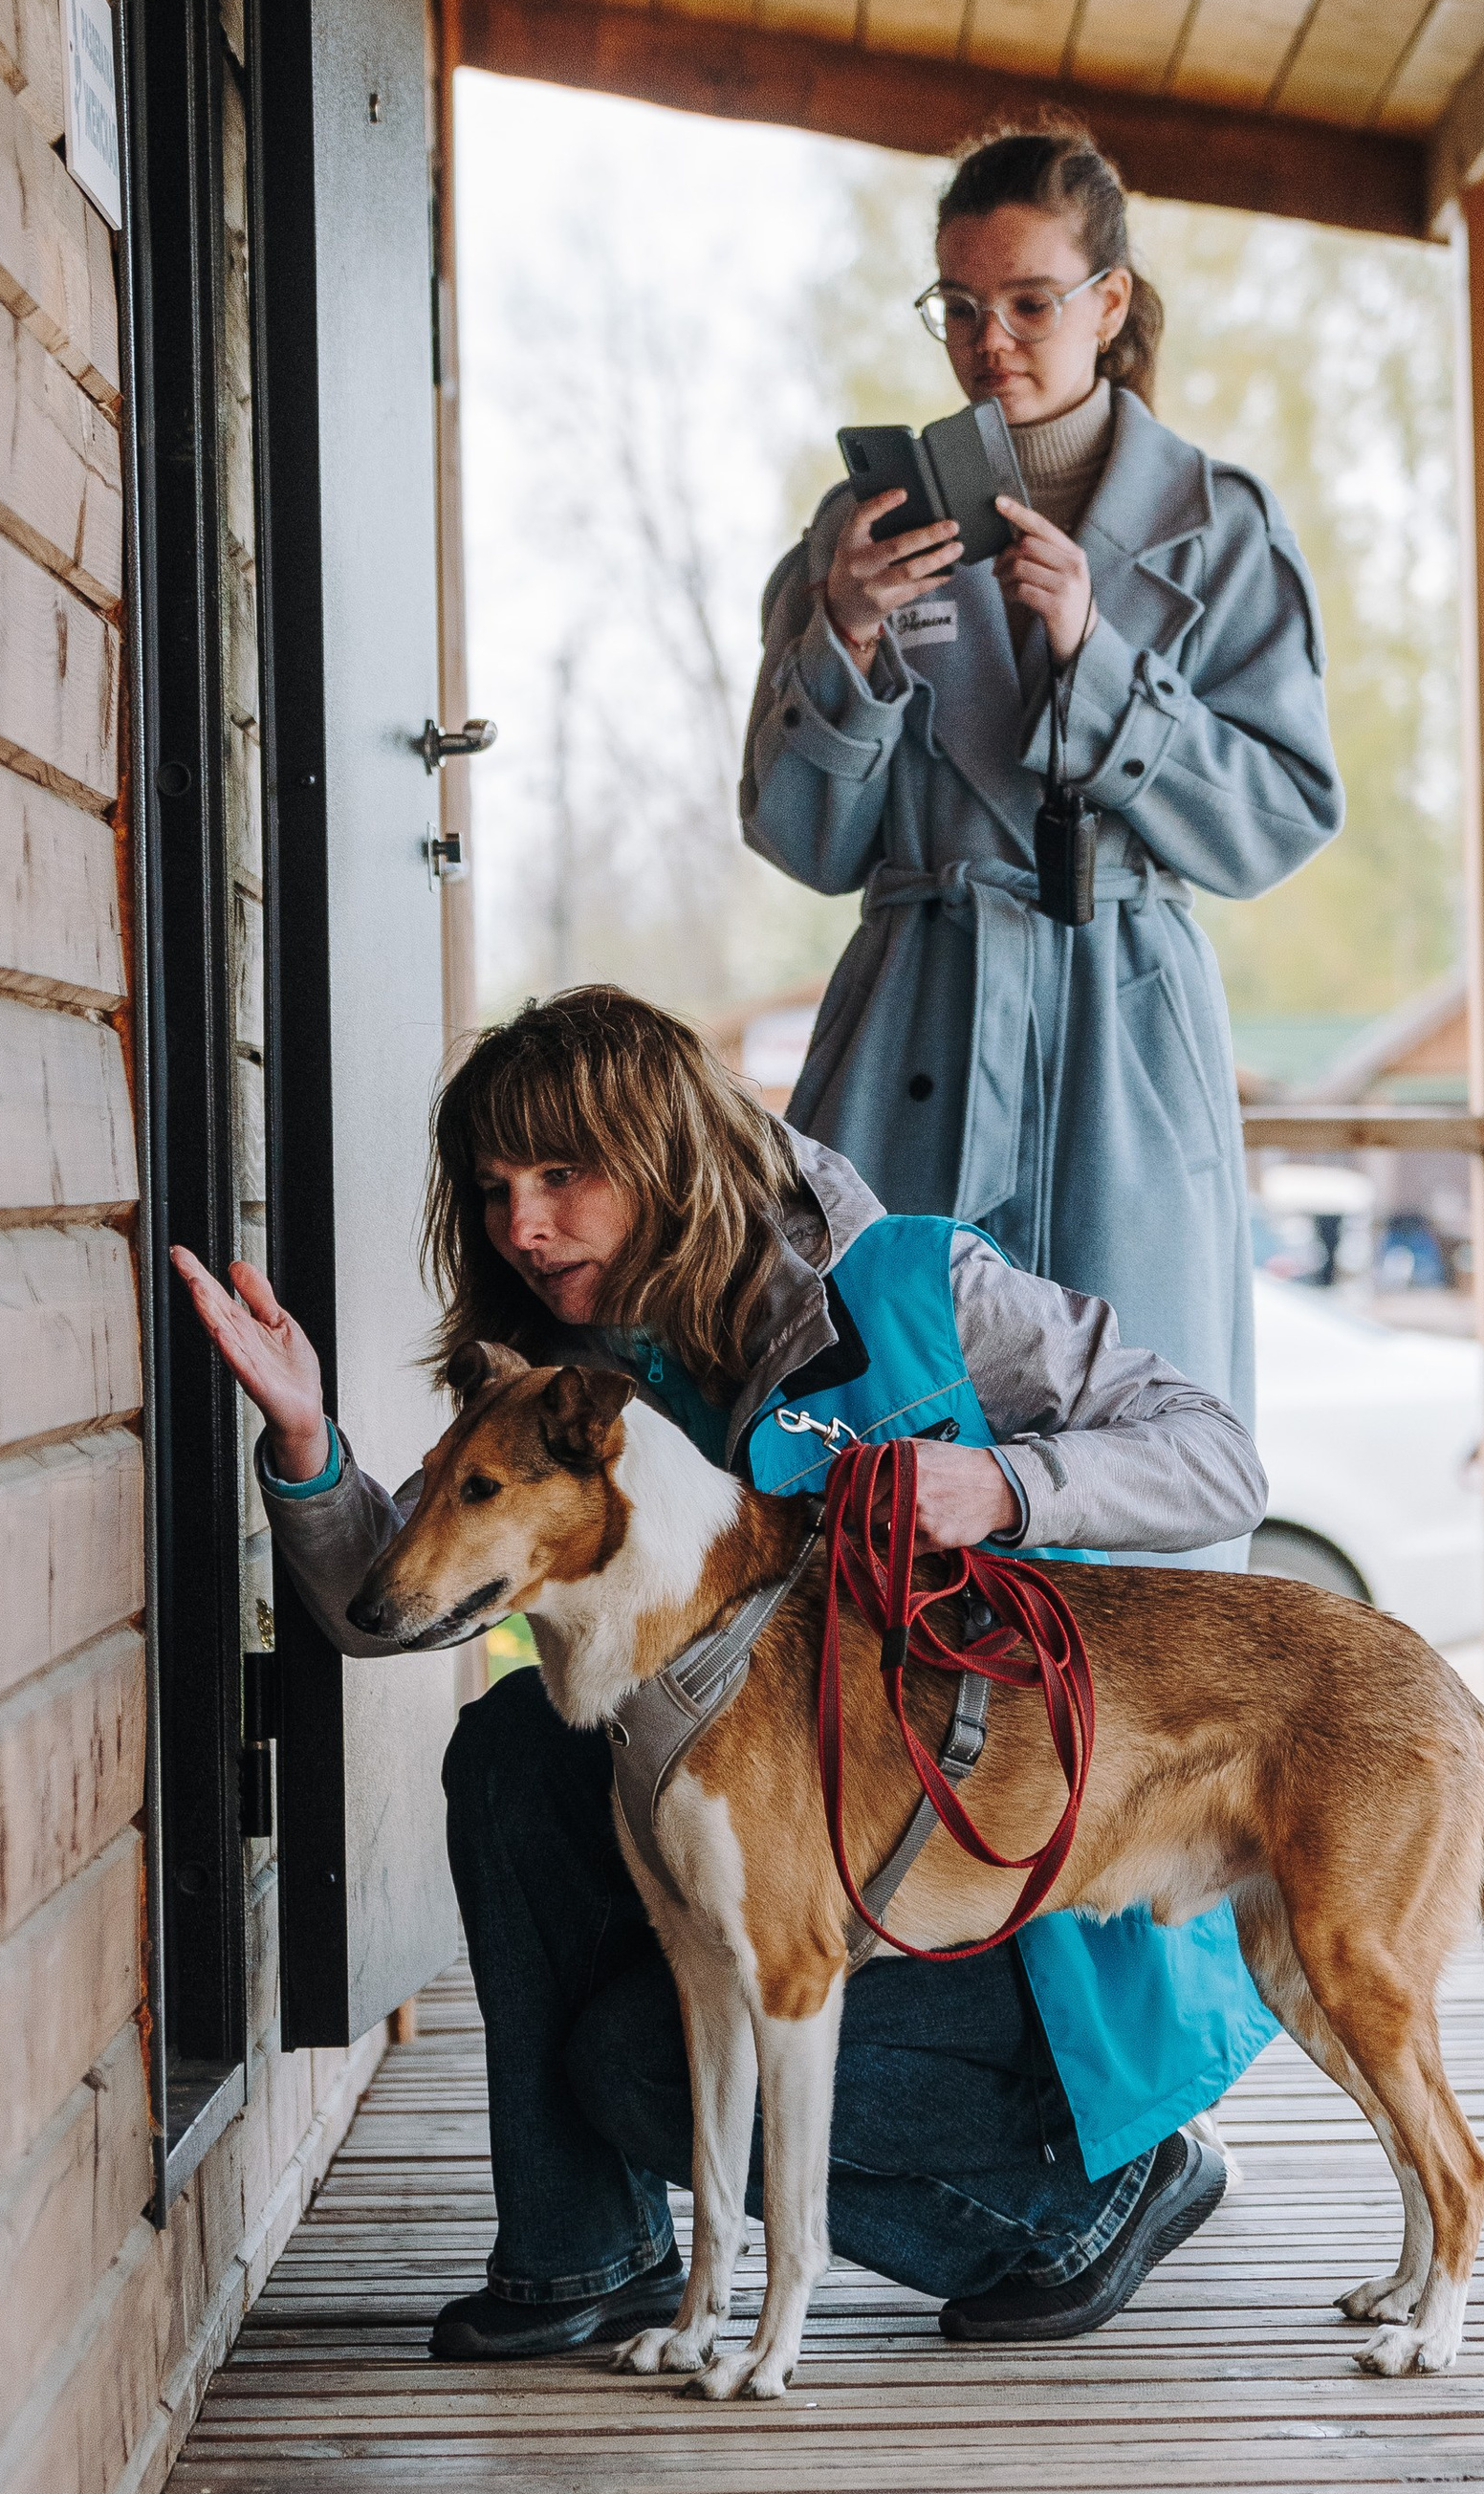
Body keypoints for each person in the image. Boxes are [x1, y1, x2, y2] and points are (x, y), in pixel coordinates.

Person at [173, 987, 1281, 2364]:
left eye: (564, 1175)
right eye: (498, 1187)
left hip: (1005, 1879)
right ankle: (590, 2249)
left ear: (666, 1150)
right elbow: (393, 1601)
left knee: (642, 2060)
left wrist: (1005, 1480)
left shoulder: (917, 1288)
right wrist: (301, 1439)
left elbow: (1218, 1455)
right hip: (775, 1843)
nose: (524, 1223)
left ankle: (1083, 2192)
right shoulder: (568, 1386)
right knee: (517, 1744)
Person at [743, 120, 1341, 1484]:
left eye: (1027, 301)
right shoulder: (860, 528)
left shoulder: (1223, 524)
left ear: (1110, 302)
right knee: (857, 1418)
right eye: (959, 306)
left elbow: (1283, 813)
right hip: (915, 1018)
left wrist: (1101, 662)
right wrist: (837, 639)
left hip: (1121, 1040)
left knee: (1140, 1428)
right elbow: (804, 840)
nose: (988, 341)